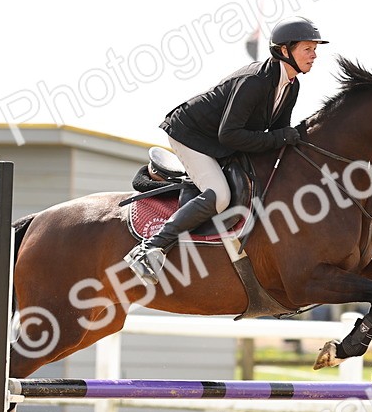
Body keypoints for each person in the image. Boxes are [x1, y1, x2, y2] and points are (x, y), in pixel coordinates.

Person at [124, 16, 328, 283]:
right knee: (219, 194)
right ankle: (150, 247)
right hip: (191, 134)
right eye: (308, 49)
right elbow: (231, 134)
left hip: (221, 141)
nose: (314, 56)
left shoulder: (291, 85)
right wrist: (281, 137)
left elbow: (278, 134)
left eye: (315, 50)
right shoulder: (255, 81)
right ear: (284, 50)